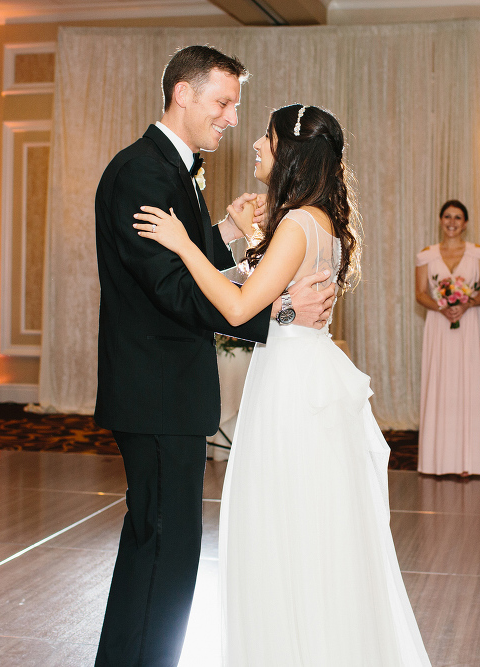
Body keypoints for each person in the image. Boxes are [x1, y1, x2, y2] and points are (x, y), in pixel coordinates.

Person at [135, 103, 431, 665]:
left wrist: (182, 243)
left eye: (266, 140)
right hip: (301, 371)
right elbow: (261, 297)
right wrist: (242, 237)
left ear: (290, 153)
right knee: (305, 526)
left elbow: (241, 302)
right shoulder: (315, 221)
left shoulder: (297, 225)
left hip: (290, 388)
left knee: (282, 527)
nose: (255, 148)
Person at [93, 47, 336, 667]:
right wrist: (278, 313)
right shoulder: (143, 172)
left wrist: (222, 235)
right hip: (155, 389)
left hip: (166, 388)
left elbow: (190, 261)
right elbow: (172, 288)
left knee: (157, 543)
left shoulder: (176, 169)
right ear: (182, 93)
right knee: (166, 548)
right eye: (223, 102)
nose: (231, 117)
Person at [415, 200, 480, 476]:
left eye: (458, 217)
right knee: (441, 385)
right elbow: (421, 292)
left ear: (466, 223)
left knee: (469, 386)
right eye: (447, 216)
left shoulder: (479, 253)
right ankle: (438, 461)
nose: (452, 222)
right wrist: (442, 306)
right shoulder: (426, 255)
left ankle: (468, 462)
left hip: (469, 324)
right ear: (440, 220)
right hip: (439, 325)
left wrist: (467, 302)